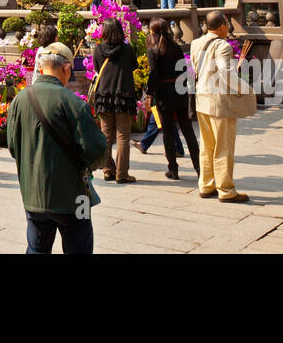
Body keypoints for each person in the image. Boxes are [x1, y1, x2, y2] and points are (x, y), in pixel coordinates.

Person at [6, 42, 108, 254]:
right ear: (67, 68)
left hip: (34, 195)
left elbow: (13, 147)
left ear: (41, 68)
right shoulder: (74, 103)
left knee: (36, 248)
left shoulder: (19, 100)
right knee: (79, 246)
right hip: (75, 197)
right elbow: (97, 150)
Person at [190, 11, 255, 202]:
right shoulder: (223, 46)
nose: (228, 27)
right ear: (221, 26)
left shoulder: (196, 43)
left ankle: (206, 185)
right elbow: (227, 73)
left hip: (201, 98)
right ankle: (225, 189)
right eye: (227, 24)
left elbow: (196, 66)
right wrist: (245, 89)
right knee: (223, 146)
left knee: (207, 145)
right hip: (219, 101)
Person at [144, 18, 200, 180]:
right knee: (188, 131)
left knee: (167, 132)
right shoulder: (175, 47)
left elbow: (154, 74)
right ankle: (199, 169)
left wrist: (149, 94)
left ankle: (173, 169)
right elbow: (184, 69)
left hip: (164, 95)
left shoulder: (153, 50)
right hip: (179, 91)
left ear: (152, 32)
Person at [91, 18, 138, 183]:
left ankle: (108, 170)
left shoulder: (98, 49)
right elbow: (133, 66)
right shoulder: (128, 50)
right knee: (123, 136)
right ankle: (122, 174)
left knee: (106, 136)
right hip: (123, 95)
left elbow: (97, 69)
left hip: (104, 96)